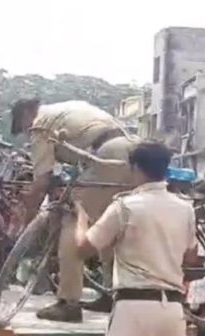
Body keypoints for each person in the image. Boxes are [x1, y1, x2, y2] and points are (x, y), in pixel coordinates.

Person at [72, 141, 196, 336]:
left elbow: (83, 249)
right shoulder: (185, 208)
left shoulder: (124, 206)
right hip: (172, 311)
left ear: (136, 168)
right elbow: (191, 258)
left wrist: (80, 219)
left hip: (134, 310)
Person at [11, 99, 138, 322]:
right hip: (129, 150)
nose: (25, 132)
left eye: (22, 126)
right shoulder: (66, 109)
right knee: (107, 224)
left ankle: (69, 303)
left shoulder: (40, 125)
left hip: (106, 155)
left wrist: (29, 212)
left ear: (26, 113)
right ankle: (111, 292)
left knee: (73, 218)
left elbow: (42, 180)